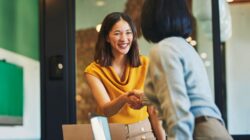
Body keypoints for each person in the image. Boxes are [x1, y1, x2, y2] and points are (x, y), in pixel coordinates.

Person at [139, 0, 234, 140]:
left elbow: (177, 111)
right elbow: (187, 94)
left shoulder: (163, 50)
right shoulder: (185, 47)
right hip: (212, 128)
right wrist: (144, 98)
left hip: (198, 131)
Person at [84, 12, 164, 140]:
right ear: (107, 37)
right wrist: (124, 98)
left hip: (144, 133)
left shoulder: (145, 63)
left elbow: (153, 110)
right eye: (117, 33)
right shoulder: (93, 71)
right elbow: (106, 109)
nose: (124, 38)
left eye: (128, 32)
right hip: (110, 134)